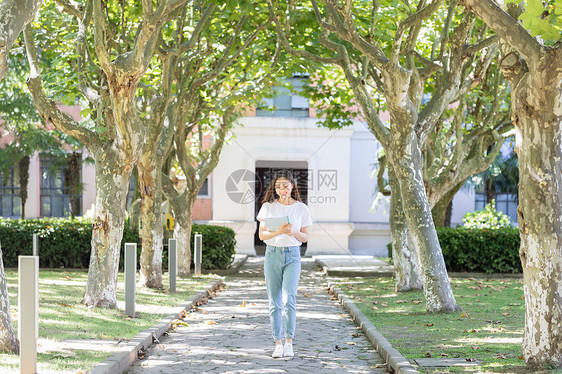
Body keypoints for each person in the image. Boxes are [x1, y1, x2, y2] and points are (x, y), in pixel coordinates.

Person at [256, 170, 312, 358]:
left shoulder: (301, 208)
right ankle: (277, 343)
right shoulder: (268, 208)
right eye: (278, 186)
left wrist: (294, 232)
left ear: (292, 186)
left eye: (286, 186)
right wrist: (279, 231)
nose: (282, 190)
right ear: (274, 187)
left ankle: (289, 342)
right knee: (275, 301)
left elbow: (304, 237)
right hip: (272, 254)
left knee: (289, 299)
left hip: (293, 255)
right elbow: (262, 235)